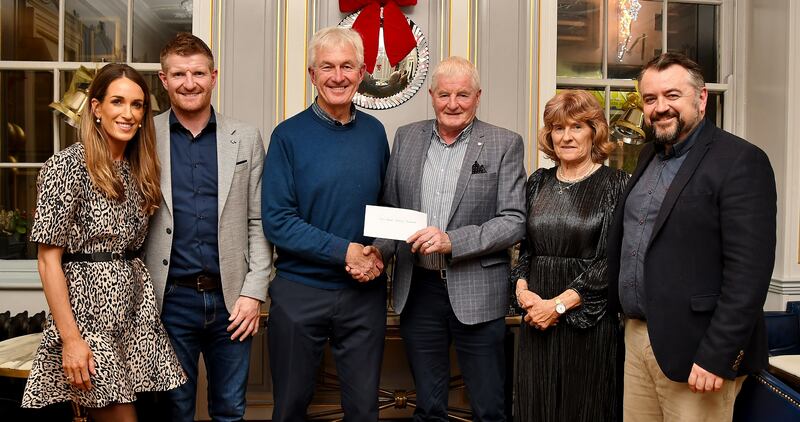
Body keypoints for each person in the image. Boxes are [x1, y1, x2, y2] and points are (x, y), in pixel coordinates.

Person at [607, 53, 777, 421]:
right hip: (638, 339)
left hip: (698, 350)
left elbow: (749, 275)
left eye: (672, 95)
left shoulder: (740, 160)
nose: (659, 108)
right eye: (650, 99)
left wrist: (717, 355)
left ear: (701, 99)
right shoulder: (649, 154)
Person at [21, 63, 186, 421]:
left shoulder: (139, 168)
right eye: (118, 102)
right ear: (96, 108)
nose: (128, 113)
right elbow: (49, 260)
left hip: (135, 314)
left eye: (138, 105)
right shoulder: (67, 166)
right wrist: (71, 339)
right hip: (89, 316)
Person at [374, 56, 526, 421]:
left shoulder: (504, 143)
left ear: (478, 96)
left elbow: (514, 221)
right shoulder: (406, 137)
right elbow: (393, 209)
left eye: (463, 94)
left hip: (478, 291)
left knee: (489, 407)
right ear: (431, 95)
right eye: (444, 94)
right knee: (428, 406)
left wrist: (452, 241)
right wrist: (376, 252)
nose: (453, 104)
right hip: (419, 289)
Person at [261, 26, 389, 421]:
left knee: (364, 410)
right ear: (312, 74)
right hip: (301, 292)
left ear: (363, 72)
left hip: (364, 295)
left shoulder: (375, 133)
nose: (338, 76)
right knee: (290, 407)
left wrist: (381, 249)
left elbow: (387, 207)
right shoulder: (287, 136)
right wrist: (345, 251)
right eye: (327, 67)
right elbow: (278, 222)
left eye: (347, 66)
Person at [143, 33, 272, 422]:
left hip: (232, 300)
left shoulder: (245, 138)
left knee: (230, 408)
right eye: (178, 74)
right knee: (174, 410)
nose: (189, 82)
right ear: (164, 80)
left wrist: (254, 292)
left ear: (214, 76)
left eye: (198, 73)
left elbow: (258, 220)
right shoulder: (143, 136)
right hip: (169, 301)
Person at [510, 90, 627, 421]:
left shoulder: (615, 183)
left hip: (587, 324)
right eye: (558, 128)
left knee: (584, 407)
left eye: (576, 127)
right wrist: (523, 292)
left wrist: (558, 305)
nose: (566, 136)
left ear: (594, 132)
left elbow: (611, 261)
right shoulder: (538, 182)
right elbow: (526, 249)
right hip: (536, 320)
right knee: (537, 406)